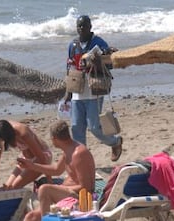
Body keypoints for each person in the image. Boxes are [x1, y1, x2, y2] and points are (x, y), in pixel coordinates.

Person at [64, 15, 123, 162]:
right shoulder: (73, 45)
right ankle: (82, 160)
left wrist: (98, 62)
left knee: (94, 127)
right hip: (78, 91)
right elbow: (70, 70)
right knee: (76, 127)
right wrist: (68, 93)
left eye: (84, 25)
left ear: (90, 26)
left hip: (94, 91)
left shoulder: (99, 42)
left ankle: (115, 142)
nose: (81, 28)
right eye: (79, 26)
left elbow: (110, 65)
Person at [19, 120, 96, 221]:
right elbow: (56, 170)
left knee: (44, 189)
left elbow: (86, 187)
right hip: (66, 194)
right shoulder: (68, 150)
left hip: (81, 198)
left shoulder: (78, 154)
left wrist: (61, 188)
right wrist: (31, 166)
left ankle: (47, 219)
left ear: (53, 139)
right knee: (31, 217)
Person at [0, 119, 52, 189]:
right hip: (25, 160)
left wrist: (49, 180)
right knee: (7, 187)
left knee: (14, 187)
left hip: (40, 160)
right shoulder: (0, 129)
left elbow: (42, 158)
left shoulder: (23, 133)